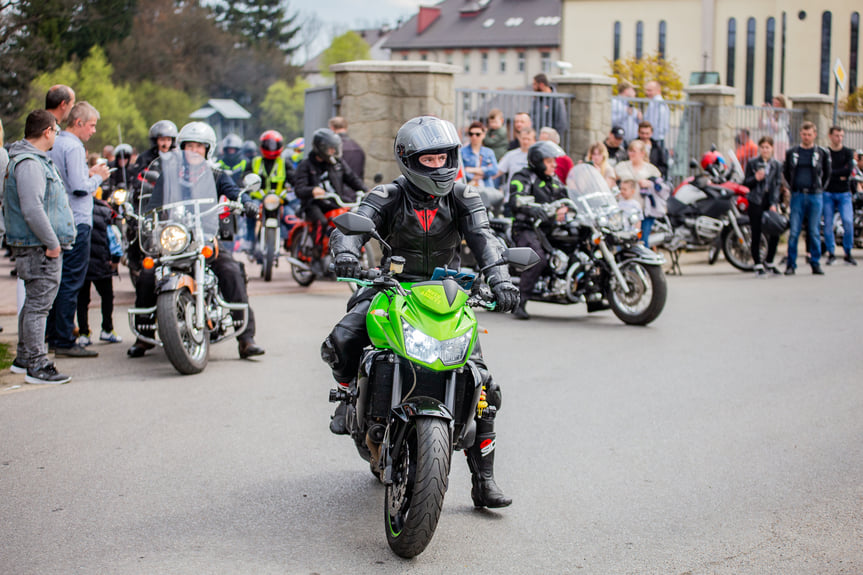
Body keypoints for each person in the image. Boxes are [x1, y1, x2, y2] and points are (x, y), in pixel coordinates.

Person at [321, 116, 519, 508]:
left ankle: (484, 480)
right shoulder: (388, 195)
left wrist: (500, 279)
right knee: (342, 340)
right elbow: (350, 227)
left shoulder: (463, 198)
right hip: (392, 288)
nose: (439, 166)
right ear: (408, 160)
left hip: (446, 296)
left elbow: (485, 238)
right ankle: (347, 396)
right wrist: (345, 254)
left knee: (485, 389)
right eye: (429, 160)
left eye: (444, 157)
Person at [127, 122, 265, 359]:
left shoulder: (217, 175)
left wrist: (245, 203)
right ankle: (143, 335)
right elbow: (153, 206)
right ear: (181, 148)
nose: (193, 150)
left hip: (205, 237)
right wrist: (143, 218)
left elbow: (233, 193)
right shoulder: (169, 176)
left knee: (230, 269)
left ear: (207, 150)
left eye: (198, 147)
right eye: (189, 146)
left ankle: (246, 338)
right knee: (148, 273)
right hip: (174, 239)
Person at [3, 110, 76, 383]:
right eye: (56, 130)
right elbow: (32, 208)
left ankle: (24, 359)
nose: (56, 135)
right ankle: (37, 365)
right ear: (47, 131)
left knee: (34, 304)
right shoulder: (30, 163)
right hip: (39, 248)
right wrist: (52, 243)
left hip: (38, 246)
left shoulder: (32, 160)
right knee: (38, 307)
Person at [46, 101, 110, 358]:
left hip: (59, 217)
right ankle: (63, 339)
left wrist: (88, 173)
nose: (94, 131)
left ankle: (52, 335)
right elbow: (80, 187)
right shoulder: (73, 146)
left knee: (57, 280)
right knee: (71, 281)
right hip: (77, 221)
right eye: (92, 125)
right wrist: (98, 177)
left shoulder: (56, 142)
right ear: (79, 123)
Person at [508, 140, 568, 320]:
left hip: (548, 229)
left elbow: (566, 198)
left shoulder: (554, 181)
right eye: (549, 161)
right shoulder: (524, 176)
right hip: (526, 227)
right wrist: (532, 208)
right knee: (537, 258)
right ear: (538, 160)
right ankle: (520, 302)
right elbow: (516, 199)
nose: (554, 165)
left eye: (554, 161)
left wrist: (565, 209)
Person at [294, 128, 366, 269]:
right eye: (330, 149)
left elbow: (351, 178)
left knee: (349, 216)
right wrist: (312, 190)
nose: (333, 152)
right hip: (313, 204)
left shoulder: (337, 163)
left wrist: (366, 190)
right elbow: (299, 189)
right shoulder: (306, 165)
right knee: (320, 221)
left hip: (333, 201)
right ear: (320, 148)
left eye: (335, 148)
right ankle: (316, 256)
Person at [783, 121, 831, 275]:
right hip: (797, 194)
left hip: (815, 195)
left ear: (814, 135)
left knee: (814, 231)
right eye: (804, 134)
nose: (806, 137)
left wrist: (820, 187)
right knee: (794, 231)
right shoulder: (793, 152)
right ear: (800, 135)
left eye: (809, 134)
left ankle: (815, 262)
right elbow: (785, 172)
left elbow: (827, 173)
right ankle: (791, 264)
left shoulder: (821, 153)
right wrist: (791, 187)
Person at [76, 196, 123, 344]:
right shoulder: (105, 211)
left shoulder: (75, 210)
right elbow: (114, 238)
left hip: (82, 264)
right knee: (107, 297)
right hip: (102, 263)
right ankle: (107, 329)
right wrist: (115, 260)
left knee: (82, 300)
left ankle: (83, 333)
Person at [743, 136, 783, 277]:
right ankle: (757, 263)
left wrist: (774, 203)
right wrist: (756, 178)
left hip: (769, 201)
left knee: (775, 230)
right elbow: (746, 183)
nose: (765, 150)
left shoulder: (776, 165)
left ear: (772, 148)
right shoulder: (753, 163)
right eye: (763, 147)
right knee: (756, 232)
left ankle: (770, 261)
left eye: (768, 147)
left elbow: (777, 185)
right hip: (756, 200)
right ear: (759, 148)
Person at [615, 140, 665, 247]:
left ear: (642, 153)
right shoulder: (621, 167)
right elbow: (612, 182)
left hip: (644, 210)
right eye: (630, 151)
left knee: (642, 239)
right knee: (622, 239)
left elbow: (660, 187)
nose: (631, 154)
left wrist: (650, 184)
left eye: (634, 151)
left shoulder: (651, 169)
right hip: (625, 209)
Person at [823, 126, 857, 266]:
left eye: (841, 136)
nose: (839, 138)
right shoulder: (826, 152)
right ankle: (831, 253)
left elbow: (848, 170)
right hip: (828, 193)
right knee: (828, 224)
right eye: (836, 135)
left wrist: (833, 173)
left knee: (848, 222)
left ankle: (847, 252)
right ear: (830, 136)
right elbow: (824, 171)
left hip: (844, 193)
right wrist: (838, 173)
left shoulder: (848, 152)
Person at [496, 128, 536, 194]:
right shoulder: (511, 155)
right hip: (512, 196)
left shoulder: (537, 157)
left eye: (528, 139)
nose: (525, 142)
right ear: (519, 139)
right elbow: (497, 172)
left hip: (531, 198)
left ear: (534, 140)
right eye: (523, 139)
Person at [461, 121, 498, 188]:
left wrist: (473, 170)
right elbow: (461, 171)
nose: (474, 136)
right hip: (468, 187)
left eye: (477, 134)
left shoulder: (489, 152)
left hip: (487, 187)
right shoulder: (462, 152)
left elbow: (494, 170)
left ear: (483, 135)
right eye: (471, 134)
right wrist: (475, 177)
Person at [531, 73, 568, 139]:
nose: (533, 87)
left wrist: (555, 138)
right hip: (537, 137)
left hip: (550, 139)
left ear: (541, 85)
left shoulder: (556, 99)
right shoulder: (537, 99)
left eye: (535, 84)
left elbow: (561, 122)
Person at [328, 116, 366, 181]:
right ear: (346, 128)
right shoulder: (358, 148)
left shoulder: (332, 149)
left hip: (339, 189)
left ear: (332, 128)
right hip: (357, 189)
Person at [643, 81, 670, 145]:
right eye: (647, 90)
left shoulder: (658, 103)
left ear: (658, 91)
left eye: (650, 90)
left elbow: (658, 122)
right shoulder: (653, 102)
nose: (647, 92)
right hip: (655, 137)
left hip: (656, 138)